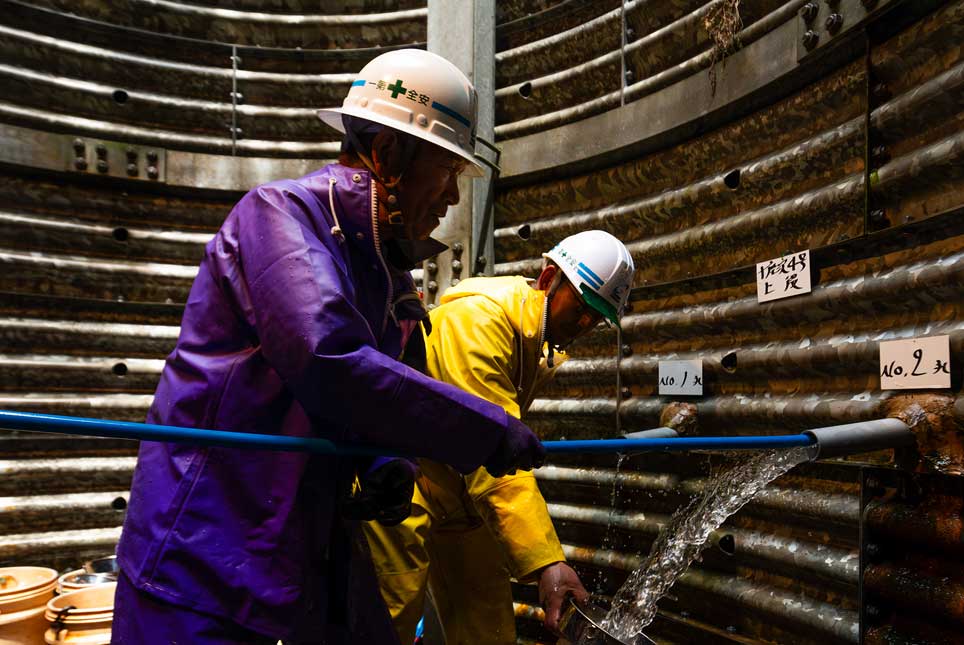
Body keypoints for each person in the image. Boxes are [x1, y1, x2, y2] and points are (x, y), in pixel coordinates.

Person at [111, 49, 545, 645]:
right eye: (446, 170)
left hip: (303, 546)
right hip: (205, 554)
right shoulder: (278, 217)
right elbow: (328, 362)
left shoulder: (386, 272)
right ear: (390, 155)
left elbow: (374, 395)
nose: (450, 197)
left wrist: (385, 464)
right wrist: (486, 428)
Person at [364, 230, 636, 644]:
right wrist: (548, 563)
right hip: (404, 484)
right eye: (580, 307)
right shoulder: (478, 325)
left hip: (459, 492)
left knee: (487, 629)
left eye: (596, 317)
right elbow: (492, 451)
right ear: (547, 281)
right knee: (389, 621)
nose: (584, 324)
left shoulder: (532, 336)